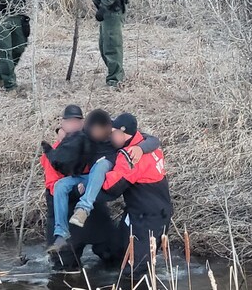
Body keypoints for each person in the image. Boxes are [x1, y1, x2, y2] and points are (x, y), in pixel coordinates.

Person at [42, 110, 160, 253]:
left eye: (101, 130)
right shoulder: (85, 133)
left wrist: (140, 148)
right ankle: (61, 233)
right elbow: (65, 148)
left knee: (102, 164)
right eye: (94, 130)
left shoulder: (116, 132)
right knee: (61, 185)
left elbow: (152, 140)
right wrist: (61, 134)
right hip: (91, 178)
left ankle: (84, 208)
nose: (97, 133)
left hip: (110, 173)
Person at [41, 105, 120, 272]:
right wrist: (77, 190)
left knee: (114, 256)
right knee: (65, 269)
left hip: (94, 213)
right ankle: (61, 237)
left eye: (77, 121)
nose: (74, 125)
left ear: (83, 123)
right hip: (65, 210)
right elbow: (53, 187)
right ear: (62, 124)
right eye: (69, 121)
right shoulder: (56, 151)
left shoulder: (93, 140)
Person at [102, 113, 172, 280]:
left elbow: (111, 189)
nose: (110, 136)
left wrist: (92, 181)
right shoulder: (144, 143)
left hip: (148, 219)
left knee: (134, 273)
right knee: (115, 253)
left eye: (113, 133)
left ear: (124, 134)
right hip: (142, 212)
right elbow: (152, 139)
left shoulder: (130, 157)